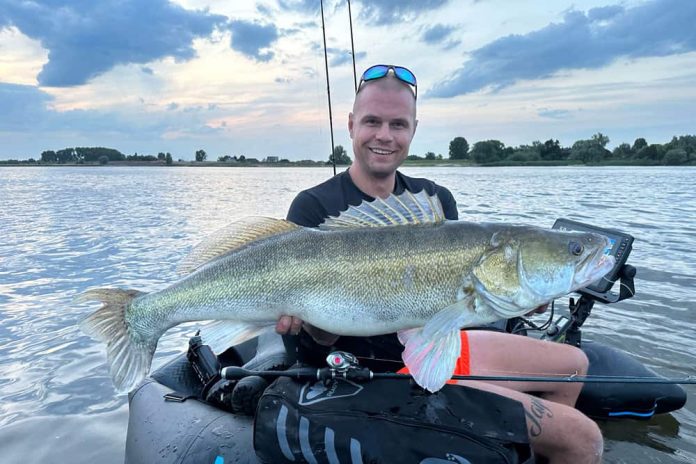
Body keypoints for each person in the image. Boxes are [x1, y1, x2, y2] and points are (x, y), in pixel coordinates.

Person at [277, 64, 603, 463]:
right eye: (372, 121)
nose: (384, 135)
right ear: (350, 125)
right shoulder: (313, 207)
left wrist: (521, 298)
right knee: (583, 438)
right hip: (369, 374)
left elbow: (460, 307)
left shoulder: (435, 198)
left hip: (432, 346)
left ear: (413, 129)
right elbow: (305, 352)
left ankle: (507, 446)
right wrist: (317, 328)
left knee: (574, 363)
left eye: (398, 124)